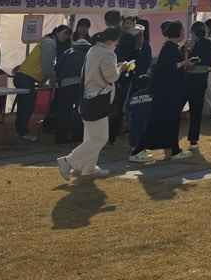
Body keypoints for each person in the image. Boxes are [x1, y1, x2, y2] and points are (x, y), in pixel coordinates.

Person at [57, 28, 130, 182]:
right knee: (100, 138)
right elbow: (112, 77)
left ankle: (88, 169)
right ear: (112, 40)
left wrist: (116, 67)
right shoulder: (107, 53)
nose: (117, 44)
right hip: (98, 99)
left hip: (87, 98)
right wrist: (121, 68)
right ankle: (68, 161)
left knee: (91, 138)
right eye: (116, 41)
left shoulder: (93, 50)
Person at [129, 21, 202, 163]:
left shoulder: (171, 46)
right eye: (182, 31)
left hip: (168, 92)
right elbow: (167, 67)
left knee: (168, 121)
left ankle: (174, 149)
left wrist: (184, 55)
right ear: (177, 32)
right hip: (167, 93)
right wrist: (184, 63)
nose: (183, 33)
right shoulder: (169, 47)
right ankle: (138, 151)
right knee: (161, 121)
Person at [12, 24, 69, 143]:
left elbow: (45, 65)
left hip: (27, 77)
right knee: (26, 106)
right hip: (25, 77)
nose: (65, 36)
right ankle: (22, 132)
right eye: (64, 33)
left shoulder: (49, 42)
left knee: (26, 105)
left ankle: (21, 131)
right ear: (57, 32)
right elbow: (47, 65)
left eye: (67, 35)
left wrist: (43, 80)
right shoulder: (49, 43)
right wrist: (52, 78)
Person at [52, 28, 92, 145]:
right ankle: (77, 136)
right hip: (83, 84)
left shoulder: (68, 52)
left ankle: (61, 138)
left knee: (64, 110)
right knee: (80, 111)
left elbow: (58, 67)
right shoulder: (90, 54)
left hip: (66, 84)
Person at [108, 20, 144, 144]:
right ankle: (111, 136)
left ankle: (111, 136)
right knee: (118, 109)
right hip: (124, 81)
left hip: (118, 81)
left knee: (116, 108)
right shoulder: (131, 50)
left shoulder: (118, 50)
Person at [183, 21, 211, 149]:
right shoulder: (210, 42)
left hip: (188, 77)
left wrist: (191, 57)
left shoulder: (190, 43)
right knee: (196, 109)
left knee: (178, 106)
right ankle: (193, 140)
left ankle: (170, 136)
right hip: (202, 78)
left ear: (193, 32)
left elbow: (183, 59)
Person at [125, 73, 153, 152]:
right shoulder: (151, 96)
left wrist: (127, 123)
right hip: (146, 122)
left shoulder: (132, 97)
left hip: (134, 122)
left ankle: (133, 149)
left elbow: (127, 110)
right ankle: (142, 150)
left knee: (134, 137)